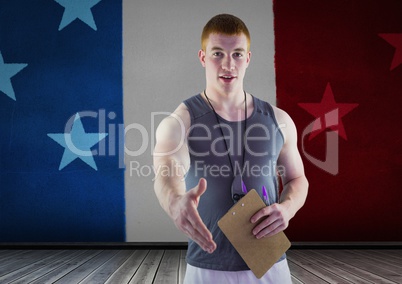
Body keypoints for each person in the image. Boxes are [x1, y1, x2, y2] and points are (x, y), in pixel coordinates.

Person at [153, 14, 308, 283]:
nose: (228, 64)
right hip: (207, 267)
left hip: (270, 264)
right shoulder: (180, 122)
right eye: (217, 54)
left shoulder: (279, 120)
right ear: (202, 58)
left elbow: (297, 179)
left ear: (248, 58)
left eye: (237, 54)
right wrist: (174, 201)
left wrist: (287, 209)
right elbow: (165, 173)